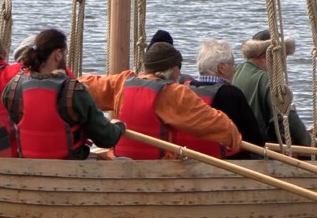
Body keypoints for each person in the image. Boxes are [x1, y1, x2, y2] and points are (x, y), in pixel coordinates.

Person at [79, 41, 242, 160]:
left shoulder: (122, 82)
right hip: (157, 168)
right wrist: (235, 140)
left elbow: (84, 86)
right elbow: (218, 126)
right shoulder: (173, 93)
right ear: (175, 69)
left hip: (119, 159)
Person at [1, 28, 124, 159]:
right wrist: (119, 127)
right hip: (69, 167)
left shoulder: (12, 87)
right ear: (58, 54)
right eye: (65, 54)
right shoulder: (74, 91)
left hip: (27, 164)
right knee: (122, 161)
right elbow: (105, 139)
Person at [173, 39, 266, 159]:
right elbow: (254, 139)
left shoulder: (183, 90)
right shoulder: (232, 94)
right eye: (233, 65)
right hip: (226, 162)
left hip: (189, 158)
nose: (234, 69)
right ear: (221, 67)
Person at [232, 30, 312, 147]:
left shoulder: (235, 71)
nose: (284, 64)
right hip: (261, 149)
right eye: (282, 58)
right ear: (264, 58)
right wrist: (308, 142)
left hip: (241, 144)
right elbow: (285, 119)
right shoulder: (268, 80)